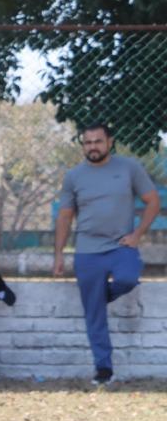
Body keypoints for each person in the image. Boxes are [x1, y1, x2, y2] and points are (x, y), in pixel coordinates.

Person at [53, 123, 160, 385]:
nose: (93, 147)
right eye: (88, 143)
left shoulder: (129, 168)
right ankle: (104, 369)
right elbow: (65, 217)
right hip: (87, 251)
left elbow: (153, 200)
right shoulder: (74, 176)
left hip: (121, 247)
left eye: (98, 141)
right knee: (94, 315)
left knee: (127, 279)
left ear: (109, 142)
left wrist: (137, 235)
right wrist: (58, 255)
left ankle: (99, 298)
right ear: (83, 146)